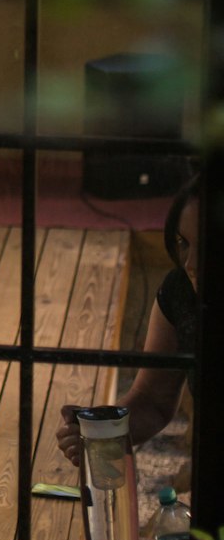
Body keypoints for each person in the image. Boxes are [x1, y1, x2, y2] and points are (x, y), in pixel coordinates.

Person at [57, 174, 199, 470]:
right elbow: (152, 400)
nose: (191, 264)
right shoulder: (180, 293)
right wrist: (100, 429)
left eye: (212, 248)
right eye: (184, 243)